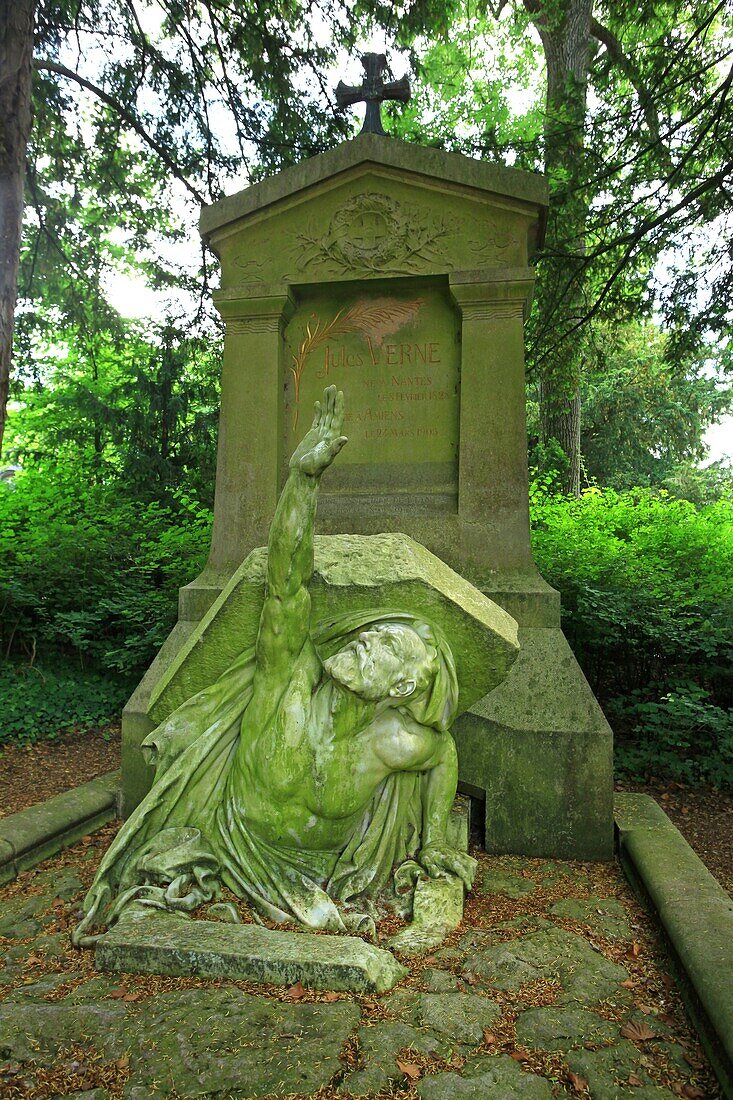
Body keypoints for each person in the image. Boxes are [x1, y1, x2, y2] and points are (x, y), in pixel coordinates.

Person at [73, 386, 474, 946]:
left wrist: (434, 842)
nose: (366, 637)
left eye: (386, 643)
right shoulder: (287, 681)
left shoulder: (393, 742)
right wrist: (303, 480)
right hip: (234, 845)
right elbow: (287, 579)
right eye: (372, 630)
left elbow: (445, 752)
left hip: (312, 875)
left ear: (401, 686)